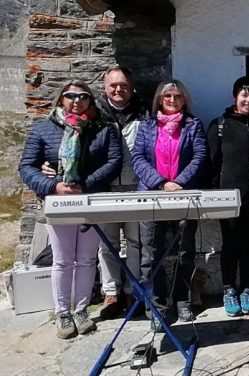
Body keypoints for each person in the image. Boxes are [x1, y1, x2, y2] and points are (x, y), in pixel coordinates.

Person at [18, 80, 122, 339]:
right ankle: (63, 312)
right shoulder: (44, 130)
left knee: (87, 259)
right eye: (71, 96)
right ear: (62, 99)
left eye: (83, 96)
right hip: (58, 202)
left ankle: (82, 309)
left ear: (90, 100)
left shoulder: (103, 130)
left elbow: (113, 161)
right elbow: (27, 166)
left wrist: (84, 184)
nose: (77, 100)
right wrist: (53, 186)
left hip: (90, 200)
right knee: (63, 260)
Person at [131, 80, 206, 325]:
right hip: (152, 195)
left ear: (184, 99)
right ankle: (157, 305)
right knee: (151, 254)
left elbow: (199, 156)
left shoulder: (193, 125)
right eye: (167, 96)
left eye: (177, 96)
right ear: (159, 100)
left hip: (184, 195)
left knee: (185, 251)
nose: (172, 100)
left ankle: (183, 301)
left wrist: (179, 182)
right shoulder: (147, 125)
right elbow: (138, 158)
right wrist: (161, 183)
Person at [206, 76, 249, 317]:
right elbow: (212, 162)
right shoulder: (220, 124)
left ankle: (246, 290)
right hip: (228, 195)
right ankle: (229, 288)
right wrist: (211, 195)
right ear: (235, 97)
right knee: (230, 243)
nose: (248, 100)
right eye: (244, 95)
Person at [94, 67, 148, 319]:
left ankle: (132, 290)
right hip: (104, 187)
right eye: (113, 85)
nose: (118, 89)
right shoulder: (94, 114)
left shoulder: (144, 112)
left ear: (131, 87)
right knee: (107, 243)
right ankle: (111, 292)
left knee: (137, 242)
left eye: (123, 85)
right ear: (105, 87)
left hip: (136, 186)